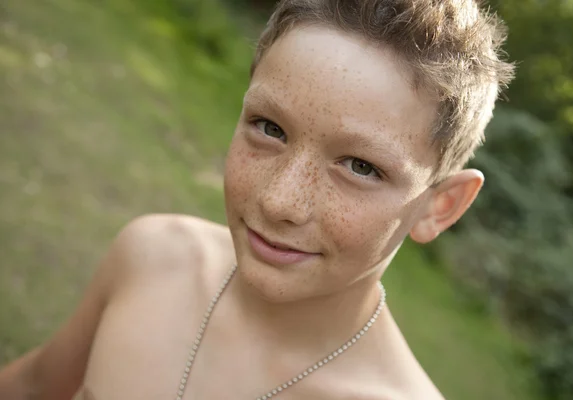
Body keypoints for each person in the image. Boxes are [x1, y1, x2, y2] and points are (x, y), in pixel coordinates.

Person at [0, 0, 514, 399]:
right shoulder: (152, 256)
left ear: (439, 206)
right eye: (270, 128)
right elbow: (31, 388)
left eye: (361, 166)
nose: (279, 201)